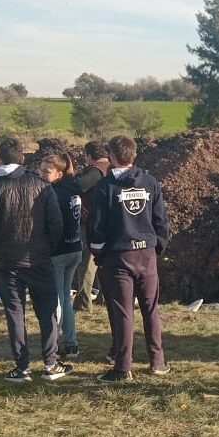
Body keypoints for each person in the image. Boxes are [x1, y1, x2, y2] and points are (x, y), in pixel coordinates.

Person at [0, 137, 70, 383]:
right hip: (39, 259)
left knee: (15, 314)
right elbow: (56, 223)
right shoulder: (42, 186)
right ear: (23, 159)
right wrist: (49, 248)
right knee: (47, 312)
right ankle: (51, 363)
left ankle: (22, 366)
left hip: (7, 263)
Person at [88, 136, 169, 382]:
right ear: (134, 155)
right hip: (147, 254)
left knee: (123, 312)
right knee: (150, 309)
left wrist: (98, 253)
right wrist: (157, 247)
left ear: (112, 157)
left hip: (117, 256)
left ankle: (123, 368)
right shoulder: (149, 182)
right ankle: (158, 362)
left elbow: (97, 227)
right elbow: (161, 219)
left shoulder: (104, 188)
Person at [40, 153, 83, 359]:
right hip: (75, 248)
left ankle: (54, 344)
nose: (41, 174)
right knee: (65, 297)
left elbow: (53, 225)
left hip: (58, 253)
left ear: (59, 173)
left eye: (46, 171)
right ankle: (72, 343)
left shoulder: (54, 194)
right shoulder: (74, 189)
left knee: (56, 299)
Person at [72, 141, 111, 314]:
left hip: (91, 223)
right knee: (106, 263)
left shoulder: (96, 171)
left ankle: (83, 302)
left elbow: (78, 186)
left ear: (89, 156)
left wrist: (74, 176)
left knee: (87, 264)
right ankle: (105, 297)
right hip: (110, 222)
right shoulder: (112, 168)